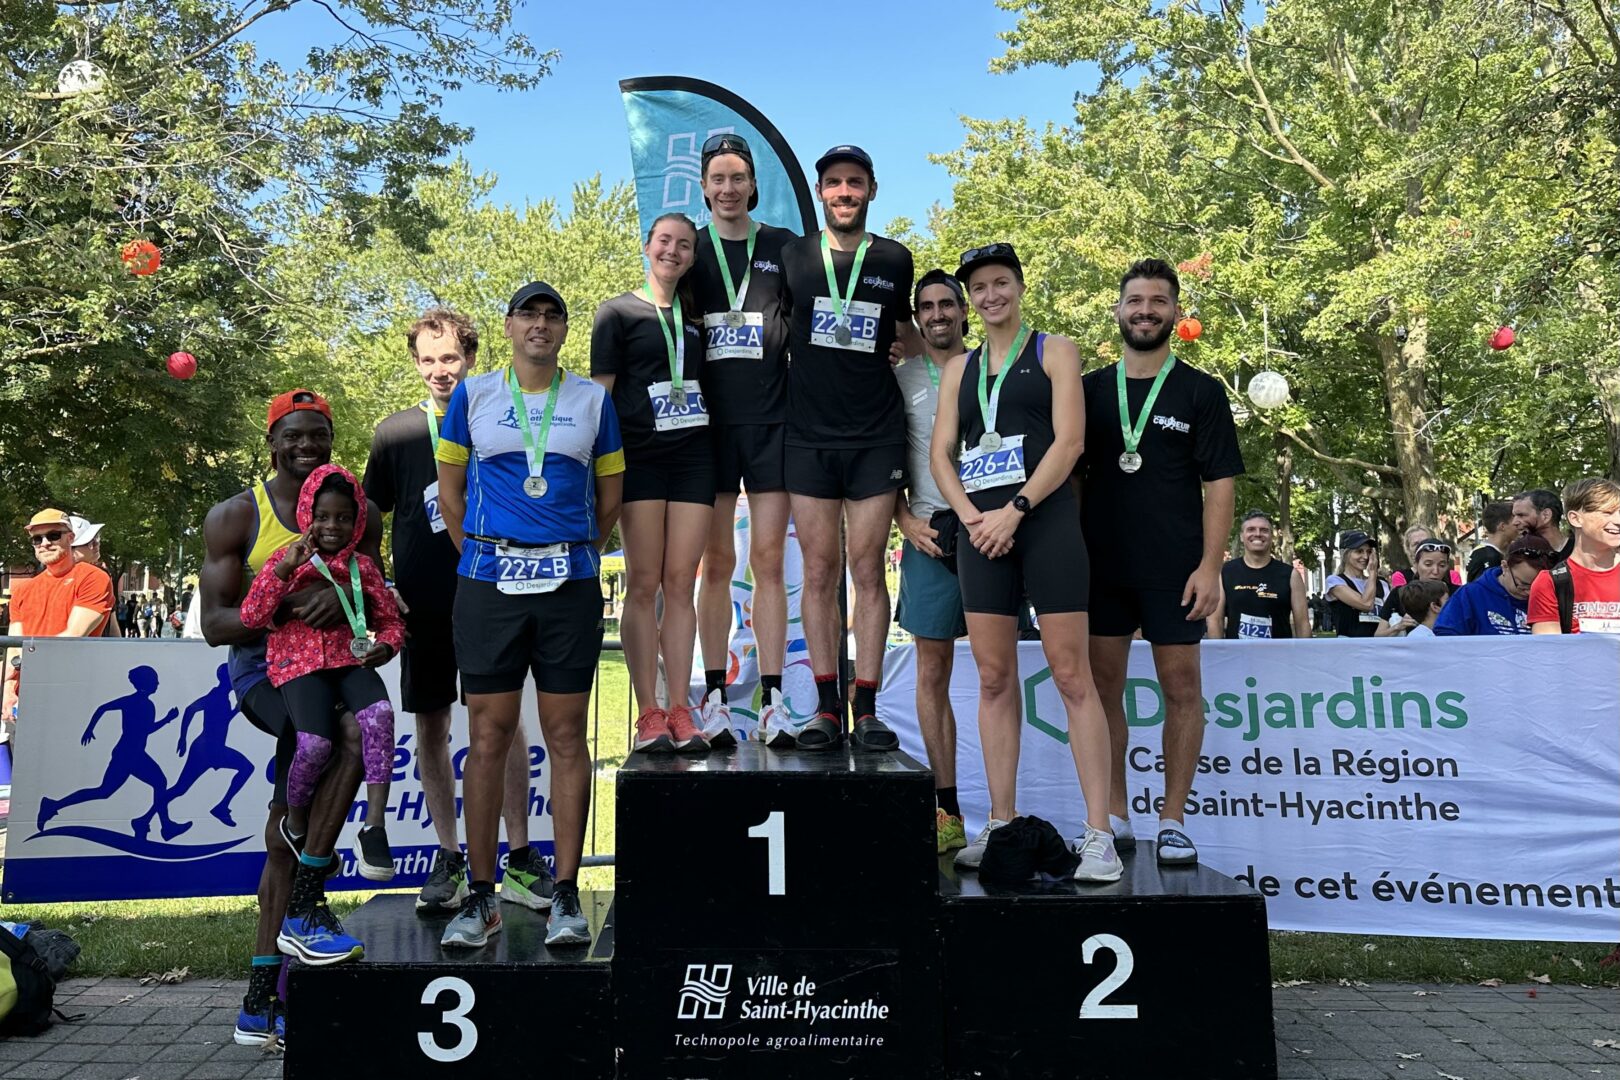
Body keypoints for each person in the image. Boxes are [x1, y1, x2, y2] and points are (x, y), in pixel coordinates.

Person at [436, 280, 623, 948]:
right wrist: (486, 555)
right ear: (509, 327)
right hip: (488, 581)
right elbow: (451, 494)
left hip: (567, 582)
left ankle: (566, 892)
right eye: (528, 315)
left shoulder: (593, 400)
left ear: (564, 329)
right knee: (487, 736)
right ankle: (480, 895)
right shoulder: (474, 394)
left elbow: (610, 497)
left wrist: (570, 552)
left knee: (567, 736)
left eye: (552, 315)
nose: (540, 325)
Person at [932, 243, 1120, 882]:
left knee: (1073, 676)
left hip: (1044, 526)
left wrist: (1014, 508)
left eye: (1000, 283)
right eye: (978, 289)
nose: (990, 296)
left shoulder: (1055, 351)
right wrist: (972, 518)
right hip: (981, 533)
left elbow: (1070, 442)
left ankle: (1098, 834)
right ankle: (1001, 821)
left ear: (1018, 286)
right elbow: (940, 457)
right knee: (991, 678)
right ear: (968, 302)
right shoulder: (959, 369)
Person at [200, 389, 377, 1043]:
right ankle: (303, 911)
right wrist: (291, 606)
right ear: (272, 442)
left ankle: (261, 996)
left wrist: (350, 614)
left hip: (329, 669)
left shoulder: (358, 513)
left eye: (318, 436)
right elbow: (215, 625)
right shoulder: (236, 515)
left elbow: (375, 599)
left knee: (291, 823)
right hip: (261, 670)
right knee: (324, 736)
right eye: (294, 436)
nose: (307, 448)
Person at [364, 307, 546, 913]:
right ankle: (449, 858)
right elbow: (369, 519)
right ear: (416, 364)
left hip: (491, 597)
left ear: (470, 359)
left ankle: (519, 856)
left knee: (505, 724)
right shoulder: (396, 434)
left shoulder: (500, 421)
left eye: (450, 358)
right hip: (421, 607)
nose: (440, 371)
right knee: (432, 727)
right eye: (428, 359)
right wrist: (378, 584)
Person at [1082, 258, 1242, 866]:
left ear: (1176, 312)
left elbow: (1220, 485)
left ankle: (1173, 820)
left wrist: (1210, 566)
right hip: (1100, 567)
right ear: (1118, 309)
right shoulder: (1090, 389)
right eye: (1135, 300)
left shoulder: (1201, 390)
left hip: (1176, 570)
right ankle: (1116, 815)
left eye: (1158, 301)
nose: (1146, 310)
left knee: (1182, 689)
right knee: (1103, 692)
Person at [780, 144, 918, 750]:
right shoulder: (793, 256)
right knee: (817, 569)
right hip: (808, 433)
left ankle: (867, 705)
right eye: (833, 182)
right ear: (821, 192)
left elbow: (909, 333)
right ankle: (825, 706)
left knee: (867, 569)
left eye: (854, 182)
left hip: (875, 435)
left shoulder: (894, 257)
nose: (843, 191)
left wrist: (908, 351)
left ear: (871, 189)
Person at [239, 465, 406, 889]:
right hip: (298, 665)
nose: (333, 526)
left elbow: (390, 622)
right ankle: (295, 825)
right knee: (315, 743)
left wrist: (385, 647)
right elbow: (252, 616)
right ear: (307, 515)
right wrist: (282, 571)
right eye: (324, 517)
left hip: (350, 662)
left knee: (380, 715)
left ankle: (374, 825)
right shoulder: (288, 559)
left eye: (344, 518)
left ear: (357, 521)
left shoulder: (363, 569)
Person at [689, 134, 795, 748]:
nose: (728, 189)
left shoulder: (782, 247)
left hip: (771, 424)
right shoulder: (690, 251)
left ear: (753, 185)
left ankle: (777, 701)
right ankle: (716, 700)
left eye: (737, 178)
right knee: (715, 567)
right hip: (707, 429)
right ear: (704, 188)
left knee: (769, 563)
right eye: (717, 179)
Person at [592, 214, 713, 754]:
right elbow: (599, 399)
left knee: (681, 583)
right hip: (638, 459)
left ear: (691, 256)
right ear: (647, 247)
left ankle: (682, 709)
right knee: (643, 583)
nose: (673, 251)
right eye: (665, 241)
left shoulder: (695, 316)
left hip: (693, 458)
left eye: (683, 245)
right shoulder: (616, 312)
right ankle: (649, 711)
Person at [894, 269, 970, 851]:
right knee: (931, 673)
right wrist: (904, 519)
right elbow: (880, 457)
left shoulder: (994, 369)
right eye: (928, 306)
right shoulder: (901, 379)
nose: (938, 313)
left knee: (1009, 673)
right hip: (931, 535)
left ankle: (1014, 807)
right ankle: (947, 809)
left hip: (1000, 532)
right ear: (917, 318)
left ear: (963, 312)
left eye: (947, 304)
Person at [4, 511, 115, 720]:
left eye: (53, 535)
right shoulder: (23, 591)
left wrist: (23, 666)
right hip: (28, 692)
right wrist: (8, 688)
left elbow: (71, 637)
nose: (44, 543)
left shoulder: (93, 577)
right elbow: (14, 647)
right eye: (37, 539)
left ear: (70, 538)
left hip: (73, 691)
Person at [1529, 478, 1620, 634]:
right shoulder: (1550, 583)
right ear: (1575, 518)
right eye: (1607, 512)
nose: (1618, 520)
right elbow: (1549, 652)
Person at [1213, 510, 1309, 639]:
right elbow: (1215, 620)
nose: (1257, 534)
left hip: (1277, 656)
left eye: (1264, 530)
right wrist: (1219, 654)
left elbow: (1302, 623)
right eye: (1251, 529)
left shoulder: (1290, 575)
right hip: (1237, 656)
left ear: (1272, 536)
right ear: (1242, 536)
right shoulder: (1225, 572)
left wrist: (1304, 656)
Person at [1435, 535, 1549, 635]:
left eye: (1538, 587)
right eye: (1523, 584)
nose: (1530, 592)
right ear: (1505, 567)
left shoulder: (1552, 597)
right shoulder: (1470, 596)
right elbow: (1445, 640)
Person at [1377, 538, 1457, 637]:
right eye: (1428, 564)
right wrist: (1398, 626)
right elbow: (1378, 636)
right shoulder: (1401, 593)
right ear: (1416, 564)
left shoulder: (1459, 594)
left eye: (1442, 565)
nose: (1435, 571)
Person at [1324, 531, 1390, 637]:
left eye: (1368, 552)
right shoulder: (1335, 582)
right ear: (1345, 554)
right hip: (1349, 647)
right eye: (1359, 551)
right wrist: (1373, 572)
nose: (1365, 556)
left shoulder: (1382, 584)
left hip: (1377, 646)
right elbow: (1366, 604)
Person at [68, 516, 119, 638]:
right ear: (70, 549)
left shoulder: (100, 575)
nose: (97, 544)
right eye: (90, 542)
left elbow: (112, 623)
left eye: (97, 538)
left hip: (99, 650)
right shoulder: (49, 580)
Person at [1513, 488, 1573, 562]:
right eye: (1514, 516)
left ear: (1546, 515)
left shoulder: (1580, 550)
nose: (1514, 522)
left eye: (1521, 515)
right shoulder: (1519, 552)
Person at [1465, 500, 1517, 582]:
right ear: (1502, 526)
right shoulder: (1485, 555)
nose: (1519, 526)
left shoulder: (1505, 552)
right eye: (1515, 524)